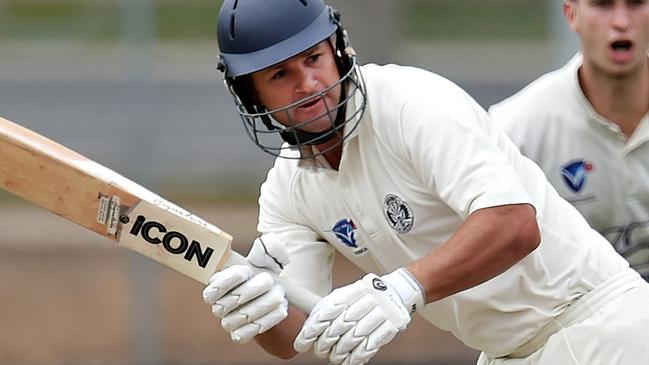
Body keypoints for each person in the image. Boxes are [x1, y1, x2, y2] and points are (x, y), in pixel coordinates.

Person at [202, 1, 649, 364]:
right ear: (249, 92)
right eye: (281, 75)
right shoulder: (286, 189)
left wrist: (404, 288)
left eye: (314, 59)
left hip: (600, 326)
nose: (310, 84)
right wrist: (261, 306)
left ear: (337, 49)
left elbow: (515, 224)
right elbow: (296, 335)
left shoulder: (410, 104)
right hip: (506, 354)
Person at [489, 0, 649, 280]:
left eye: (636, 3)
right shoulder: (514, 130)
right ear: (572, 15)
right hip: (575, 314)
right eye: (603, 5)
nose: (621, 21)